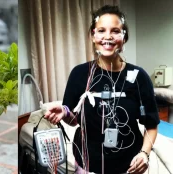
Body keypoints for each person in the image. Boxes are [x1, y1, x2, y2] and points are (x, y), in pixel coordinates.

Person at [44, 5, 159, 174]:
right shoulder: (79, 74)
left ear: (124, 37)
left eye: (115, 31)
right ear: (93, 35)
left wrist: (144, 154)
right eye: (101, 30)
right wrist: (64, 113)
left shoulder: (139, 76)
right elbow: (73, 120)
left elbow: (151, 125)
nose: (107, 37)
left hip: (129, 165)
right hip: (87, 162)